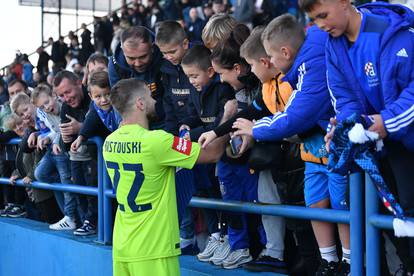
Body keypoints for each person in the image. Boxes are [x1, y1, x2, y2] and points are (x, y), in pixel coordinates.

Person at [228, 15, 350, 275]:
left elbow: (294, 119)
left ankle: (350, 262)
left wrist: (256, 131)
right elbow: (263, 110)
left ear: (282, 52)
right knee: (315, 207)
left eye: (269, 57)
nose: (268, 62)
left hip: (334, 156)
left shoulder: (300, 72)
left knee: (342, 208)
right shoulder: (291, 73)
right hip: (310, 158)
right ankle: (328, 262)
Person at [300, 1, 414, 274]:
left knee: (409, 211)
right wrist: (347, 128)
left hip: (406, 143)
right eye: (314, 20)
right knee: (387, 219)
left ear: (344, 2)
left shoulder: (393, 32)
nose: (321, 25)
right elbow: (345, 98)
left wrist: (384, 122)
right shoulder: (333, 45)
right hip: (378, 146)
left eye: (323, 15)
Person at [103, 78, 229, 276]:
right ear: (140, 103)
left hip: (122, 246)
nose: (155, 101)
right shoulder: (157, 141)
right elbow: (213, 153)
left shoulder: (109, 142)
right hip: (153, 249)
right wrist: (228, 116)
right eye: (150, 97)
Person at [53, 70, 98, 236]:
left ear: (79, 83)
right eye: (62, 95)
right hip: (78, 159)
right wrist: (65, 140)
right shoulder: (65, 107)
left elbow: (105, 125)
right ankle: (87, 221)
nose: (66, 98)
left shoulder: (94, 97)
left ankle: (94, 223)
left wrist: (81, 128)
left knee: (95, 190)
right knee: (79, 190)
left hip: (97, 158)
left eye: (68, 91)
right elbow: (67, 147)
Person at [108, 26, 165, 129]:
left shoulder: (164, 56)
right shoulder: (115, 65)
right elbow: (119, 101)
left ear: (152, 48)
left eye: (143, 57)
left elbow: (171, 97)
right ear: (122, 50)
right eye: (131, 58)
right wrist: (124, 123)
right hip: (133, 117)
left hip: (163, 115)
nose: (138, 63)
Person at [155, 21, 192, 136]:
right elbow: (168, 101)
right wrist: (170, 132)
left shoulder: (200, 63)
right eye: (164, 53)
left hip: (198, 129)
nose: (168, 57)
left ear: (185, 44)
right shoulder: (165, 67)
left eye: (172, 52)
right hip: (177, 129)